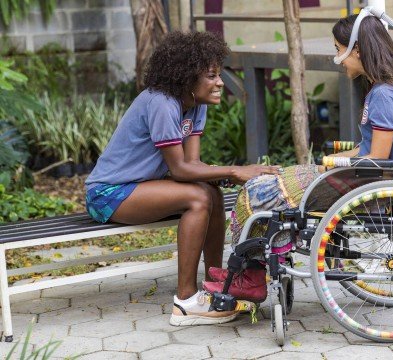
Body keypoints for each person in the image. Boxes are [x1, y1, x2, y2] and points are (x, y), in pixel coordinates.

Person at [203, 12, 393, 302]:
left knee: (258, 192)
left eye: (338, 50)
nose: (337, 58)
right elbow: (367, 149)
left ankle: (252, 278)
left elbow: (378, 159)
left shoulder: (383, 94)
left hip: (362, 183)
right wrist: (326, 163)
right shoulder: (386, 88)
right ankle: (250, 270)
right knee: (272, 178)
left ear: (356, 49)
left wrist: (334, 166)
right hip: (359, 176)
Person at [84, 31, 280, 326]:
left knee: (211, 193)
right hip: (108, 194)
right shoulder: (162, 103)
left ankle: (216, 285)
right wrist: (234, 171)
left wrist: (225, 176)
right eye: (212, 76)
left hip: (142, 186)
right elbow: (180, 171)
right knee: (198, 197)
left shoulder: (195, 104)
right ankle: (185, 302)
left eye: (219, 75)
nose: (219, 83)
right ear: (187, 76)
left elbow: (193, 164)